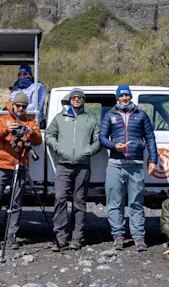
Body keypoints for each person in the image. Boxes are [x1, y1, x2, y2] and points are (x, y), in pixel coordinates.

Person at [0, 92, 42, 250]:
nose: (20, 109)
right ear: (13, 105)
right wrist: (7, 129)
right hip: (2, 165)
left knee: (16, 203)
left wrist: (31, 132)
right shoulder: (3, 119)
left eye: (23, 106)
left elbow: (38, 141)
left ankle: (11, 237)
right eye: (18, 106)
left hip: (20, 165)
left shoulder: (31, 122)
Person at [99, 84, 158, 252]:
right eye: (121, 95)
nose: (124, 98)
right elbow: (102, 137)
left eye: (127, 95)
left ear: (130, 97)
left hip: (136, 165)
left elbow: (150, 138)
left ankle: (139, 237)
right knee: (114, 203)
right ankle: (118, 236)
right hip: (115, 165)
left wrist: (153, 160)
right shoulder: (110, 115)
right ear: (117, 98)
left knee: (136, 203)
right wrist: (113, 146)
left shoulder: (141, 115)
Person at [45, 88, 101, 251]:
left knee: (79, 202)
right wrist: (58, 148)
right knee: (60, 199)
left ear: (83, 100)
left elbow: (98, 141)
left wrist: (88, 151)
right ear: (70, 100)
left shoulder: (91, 119)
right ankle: (60, 239)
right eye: (74, 97)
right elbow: (49, 135)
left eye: (79, 97)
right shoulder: (59, 118)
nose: (76, 99)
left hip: (83, 166)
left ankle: (77, 238)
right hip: (63, 165)